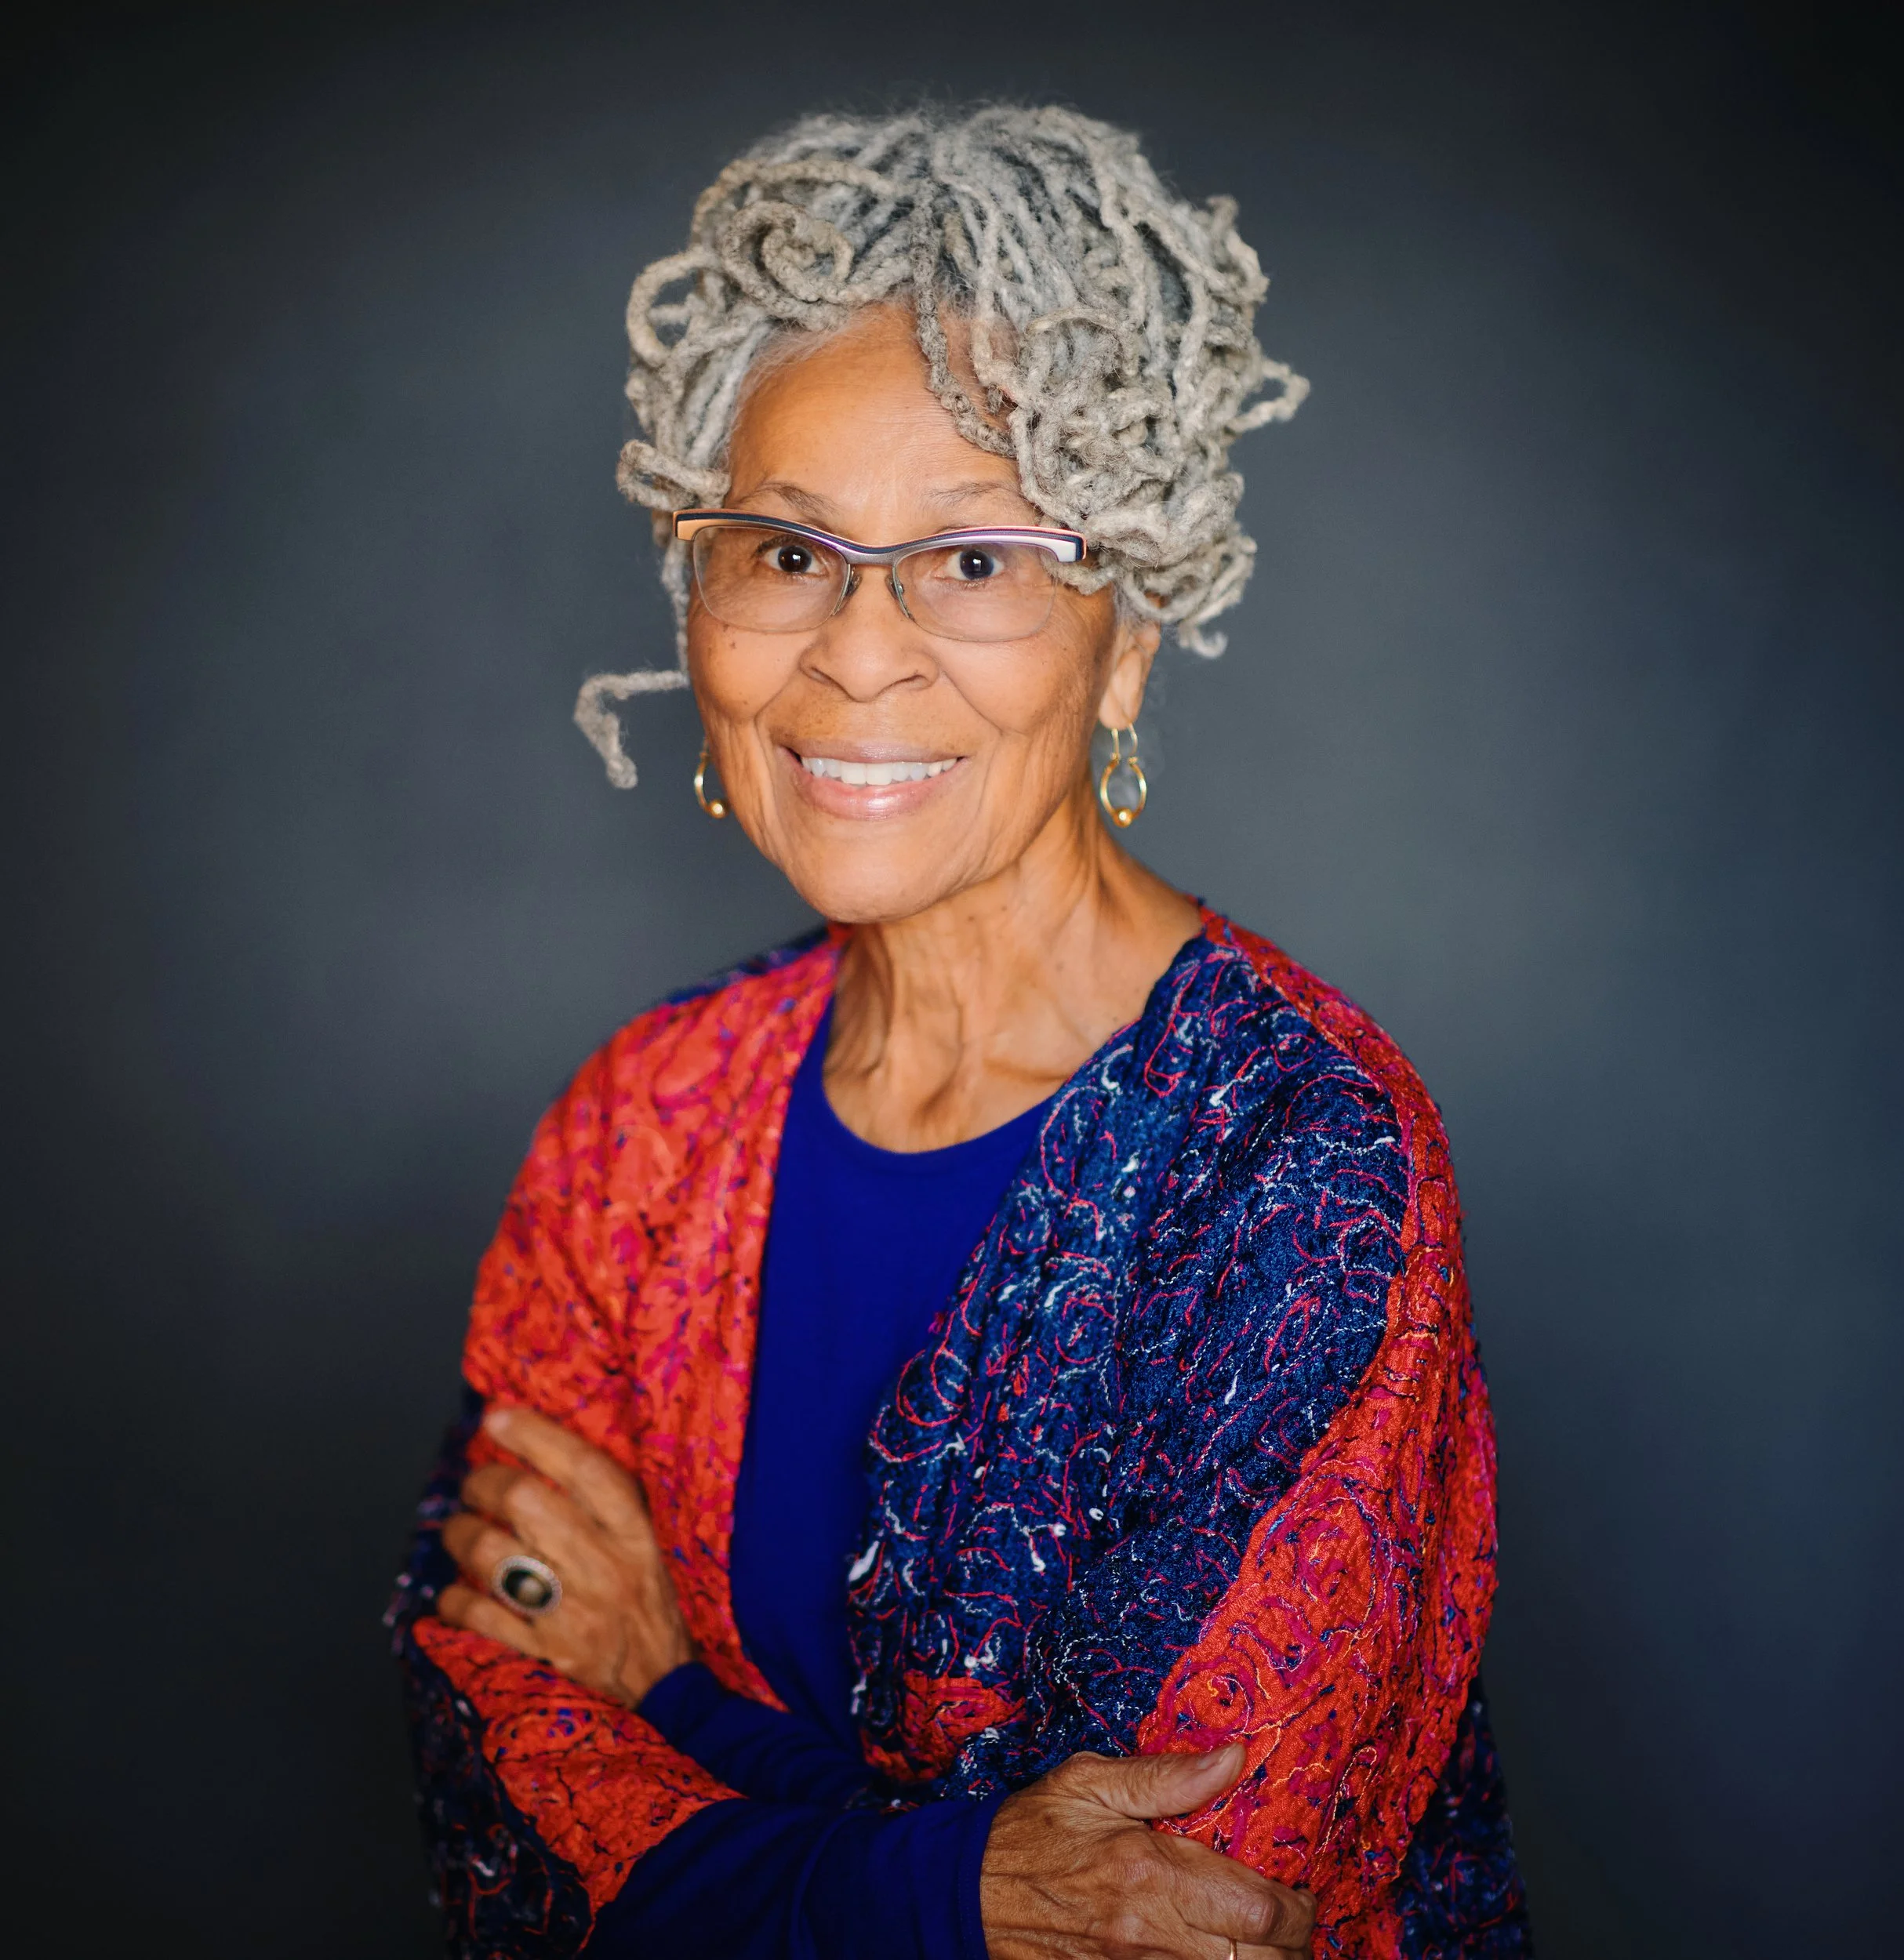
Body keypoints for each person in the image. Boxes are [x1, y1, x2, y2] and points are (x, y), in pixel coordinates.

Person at [389, 103, 1529, 1959]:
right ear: (700, 607)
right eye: (783, 551)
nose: (854, 648)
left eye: (977, 557)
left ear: (1125, 628)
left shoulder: (1297, 1156)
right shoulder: (641, 1119)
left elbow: (1189, 1914)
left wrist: (672, 1713)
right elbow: (487, 1739)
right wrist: (947, 1888)